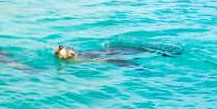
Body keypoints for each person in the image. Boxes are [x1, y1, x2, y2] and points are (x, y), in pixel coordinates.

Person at [53, 42, 181, 66]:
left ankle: (164, 53)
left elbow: (113, 60)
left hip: (111, 53)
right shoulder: (82, 58)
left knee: (146, 52)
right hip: (111, 51)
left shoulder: (87, 59)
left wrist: (133, 66)